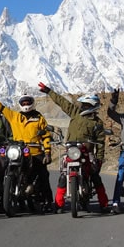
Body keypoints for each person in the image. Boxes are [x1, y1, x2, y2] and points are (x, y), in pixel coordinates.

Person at [0, 83, 54, 213]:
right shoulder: (14, 116)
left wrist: (47, 152)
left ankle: (48, 201)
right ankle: (3, 203)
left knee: (43, 174)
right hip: (17, 151)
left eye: (28, 102)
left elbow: (46, 136)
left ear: (32, 103)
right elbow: (0, 106)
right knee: (1, 170)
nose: (25, 104)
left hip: (35, 152)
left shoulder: (39, 118)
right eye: (23, 102)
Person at [38, 82, 110, 214]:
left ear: (92, 106)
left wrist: (99, 160)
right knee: (63, 175)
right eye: (83, 105)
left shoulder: (97, 122)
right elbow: (63, 103)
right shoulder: (76, 113)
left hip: (86, 152)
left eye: (85, 105)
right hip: (71, 150)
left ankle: (104, 204)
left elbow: (100, 143)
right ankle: (59, 204)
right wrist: (49, 91)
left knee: (95, 176)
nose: (82, 107)